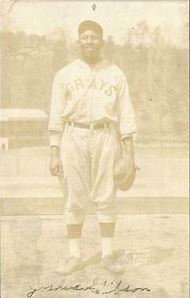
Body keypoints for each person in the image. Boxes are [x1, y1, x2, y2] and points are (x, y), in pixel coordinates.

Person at [48, 20, 136, 275]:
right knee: (73, 197)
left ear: (101, 41)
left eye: (94, 37)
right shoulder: (64, 74)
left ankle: (107, 255)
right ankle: (75, 256)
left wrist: (128, 157)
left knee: (106, 195)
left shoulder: (115, 73)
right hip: (73, 135)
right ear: (78, 41)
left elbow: (126, 116)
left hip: (106, 136)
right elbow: (56, 117)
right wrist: (54, 152)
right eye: (84, 37)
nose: (89, 41)